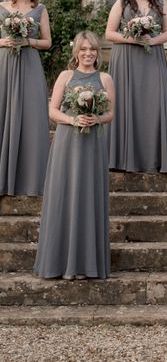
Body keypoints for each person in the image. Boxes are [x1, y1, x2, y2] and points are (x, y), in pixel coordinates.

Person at [34, 31, 115, 279]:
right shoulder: (65, 76)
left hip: (93, 144)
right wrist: (72, 119)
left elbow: (111, 114)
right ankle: (58, 262)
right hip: (67, 143)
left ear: (98, 52)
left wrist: (96, 118)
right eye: (83, 49)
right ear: (76, 52)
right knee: (63, 196)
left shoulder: (106, 78)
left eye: (92, 49)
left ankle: (88, 263)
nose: (88, 53)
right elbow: (52, 110)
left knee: (89, 197)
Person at [105, 0, 167, 173]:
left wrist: (152, 40)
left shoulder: (159, 3)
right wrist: (132, 39)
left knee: (155, 103)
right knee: (125, 103)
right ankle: (123, 159)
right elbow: (109, 34)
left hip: (152, 57)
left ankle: (156, 158)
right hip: (126, 59)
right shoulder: (122, 3)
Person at [0, 0, 52, 196]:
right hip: (4, 65)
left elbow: (47, 42)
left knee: (31, 117)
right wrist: (4, 42)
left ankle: (29, 179)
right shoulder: (1, 7)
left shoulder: (39, 10)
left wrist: (27, 42)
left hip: (30, 64)